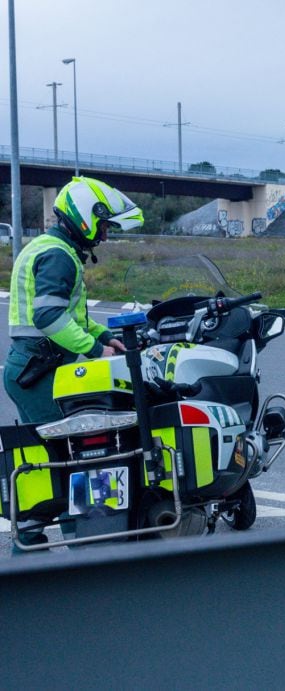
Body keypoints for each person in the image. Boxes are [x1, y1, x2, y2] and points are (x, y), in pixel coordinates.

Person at [4, 177, 142, 552]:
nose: (105, 236)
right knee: (66, 458)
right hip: (38, 371)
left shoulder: (56, 249)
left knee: (64, 455)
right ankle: (55, 548)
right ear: (84, 217)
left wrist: (103, 338)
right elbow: (49, 316)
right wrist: (95, 351)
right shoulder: (58, 255)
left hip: (40, 366)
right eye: (103, 226)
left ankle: (68, 545)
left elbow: (72, 318)